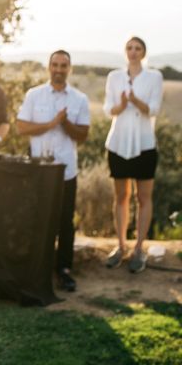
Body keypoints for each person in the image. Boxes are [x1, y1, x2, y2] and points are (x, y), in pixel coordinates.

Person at [16, 50, 90, 292]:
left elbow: (83, 135)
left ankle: (64, 270)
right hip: (39, 170)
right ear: (49, 67)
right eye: (55, 65)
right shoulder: (34, 95)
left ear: (70, 69)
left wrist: (65, 122)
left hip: (67, 170)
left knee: (65, 222)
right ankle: (38, 268)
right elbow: (21, 127)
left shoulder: (79, 99)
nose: (59, 69)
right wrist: (51, 124)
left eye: (64, 65)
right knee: (37, 219)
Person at [103, 37, 163, 273]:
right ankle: (120, 246)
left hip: (144, 144)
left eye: (138, 48)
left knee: (143, 197)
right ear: (125, 51)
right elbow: (110, 109)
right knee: (120, 196)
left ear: (143, 52)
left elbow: (154, 109)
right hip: (118, 143)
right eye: (130, 48)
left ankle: (139, 249)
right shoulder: (114, 77)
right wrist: (121, 104)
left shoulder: (154, 77)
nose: (133, 52)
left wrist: (136, 101)